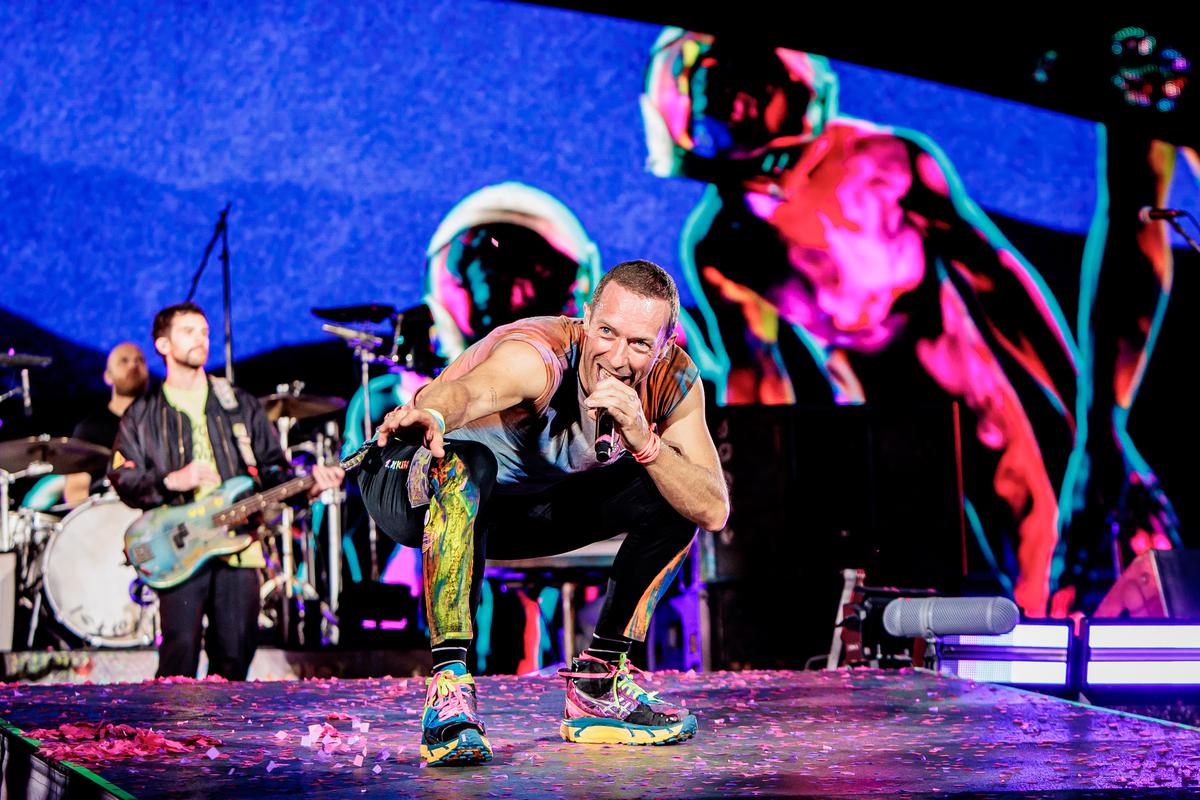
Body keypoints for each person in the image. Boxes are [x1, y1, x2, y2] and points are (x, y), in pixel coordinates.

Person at [640, 29, 1091, 617]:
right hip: (869, 420)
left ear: (790, 86)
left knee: (1037, 554)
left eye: (747, 84)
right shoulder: (722, 242)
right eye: (715, 86)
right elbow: (757, 378)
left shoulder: (885, 158)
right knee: (926, 580)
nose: (732, 104)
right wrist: (742, 502)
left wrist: (1086, 416)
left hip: (969, 391)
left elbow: (999, 281)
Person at [358, 260, 729, 765]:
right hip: (415, 479)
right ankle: (449, 690)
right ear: (587, 316)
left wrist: (645, 441)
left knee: (673, 486)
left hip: (504, 511)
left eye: (640, 344)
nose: (617, 358)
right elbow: (474, 390)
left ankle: (598, 683)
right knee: (471, 464)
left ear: (664, 345)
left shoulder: (674, 383)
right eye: (607, 333)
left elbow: (711, 508)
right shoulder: (543, 354)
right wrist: (435, 410)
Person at [109, 302, 344, 680]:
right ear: (163, 344)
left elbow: (274, 470)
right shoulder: (142, 414)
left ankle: (222, 738)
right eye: (188, 331)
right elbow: (122, 476)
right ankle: (171, 735)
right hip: (180, 547)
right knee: (179, 654)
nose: (201, 339)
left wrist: (310, 485)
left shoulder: (238, 404)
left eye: (204, 331)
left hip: (240, 544)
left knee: (235, 655)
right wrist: (171, 481)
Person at [62, 342, 149, 506]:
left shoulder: (162, 421)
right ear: (108, 376)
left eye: (140, 360)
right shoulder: (90, 430)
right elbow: (75, 491)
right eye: (124, 361)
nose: (133, 365)